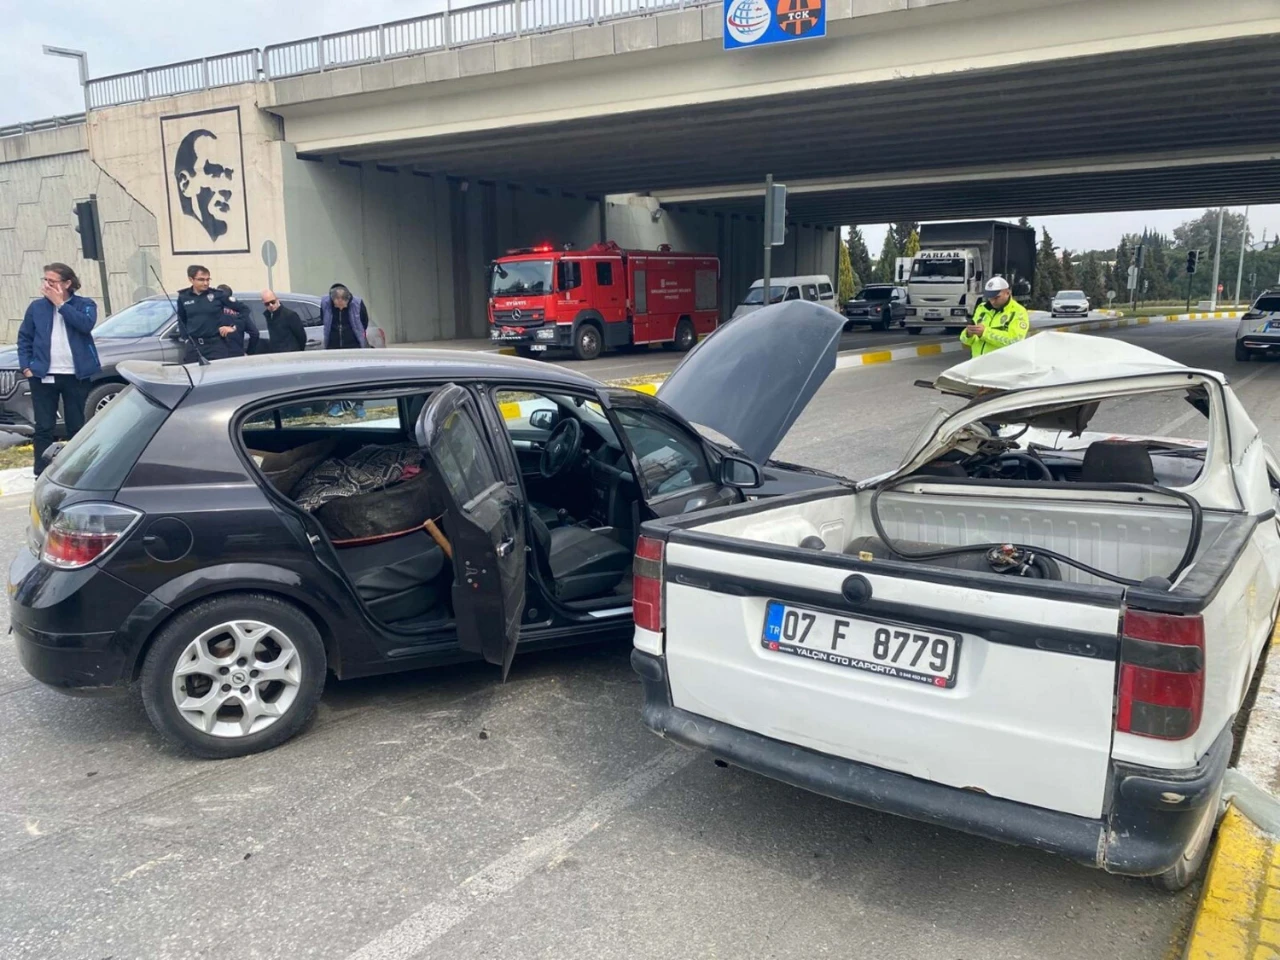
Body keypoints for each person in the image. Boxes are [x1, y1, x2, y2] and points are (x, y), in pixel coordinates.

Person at [17, 263, 102, 475]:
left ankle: (77, 470)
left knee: (76, 426)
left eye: (52, 281)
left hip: (75, 375)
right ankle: (42, 472)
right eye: (44, 280)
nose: (46, 285)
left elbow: (85, 325)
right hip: (43, 375)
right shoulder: (36, 308)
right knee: (44, 426)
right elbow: (25, 337)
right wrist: (27, 366)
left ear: (67, 283)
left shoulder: (85, 304)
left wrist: (61, 305)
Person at [174, 129, 236, 243]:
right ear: (186, 182)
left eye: (225, 173)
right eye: (214, 174)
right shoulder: (188, 229)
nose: (226, 191)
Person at [322, 283, 370, 417]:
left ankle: (358, 405)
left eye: (345, 305)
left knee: (357, 376)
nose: (342, 308)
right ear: (334, 300)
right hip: (334, 347)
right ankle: (337, 404)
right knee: (336, 377)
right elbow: (324, 321)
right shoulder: (325, 303)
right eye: (339, 305)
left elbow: (364, 323)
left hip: (353, 347)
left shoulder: (357, 304)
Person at [176, 265, 239, 362]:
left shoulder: (217, 295)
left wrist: (233, 327)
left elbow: (243, 311)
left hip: (215, 345)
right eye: (201, 280)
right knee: (193, 374)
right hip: (194, 345)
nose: (206, 283)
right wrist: (186, 339)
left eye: (208, 279)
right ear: (191, 279)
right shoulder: (183, 297)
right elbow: (181, 319)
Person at [959, 276, 1030, 358]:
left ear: (1008, 293)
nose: (992, 301)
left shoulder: (1019, 311)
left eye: (996, 297)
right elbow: (967, 340)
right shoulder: (982, 308)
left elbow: (1015, 341)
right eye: (990, 297)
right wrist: (968, 334)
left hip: (1001, 367)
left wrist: (985, 333)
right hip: (978, 364)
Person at [214, 284, 259, 357]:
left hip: (219, 355)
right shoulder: (240, 311)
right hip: (237, 354)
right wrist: (249, 352)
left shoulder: (214, 311)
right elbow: (255, 333)